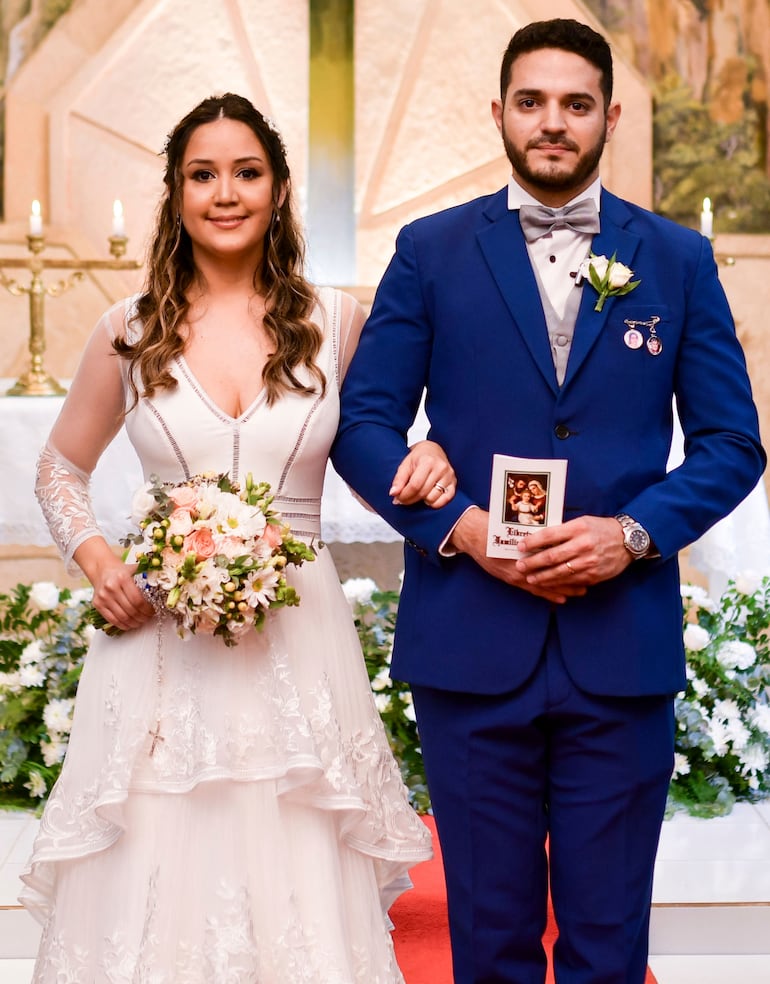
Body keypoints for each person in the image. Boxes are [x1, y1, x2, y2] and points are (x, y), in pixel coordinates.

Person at [332, 18, 765, 984]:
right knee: (489, 944)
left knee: (608, 946)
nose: (553, 123)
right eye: (532, 102)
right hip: (470, 641)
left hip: (621, 646)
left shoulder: (678, 259)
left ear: (612, 116)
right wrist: (459, 527)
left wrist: (632, 534)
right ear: (499, 113)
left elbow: (734, 445)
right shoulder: (431, 250)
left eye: (576, 104)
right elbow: (363, 427)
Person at [19, 92, 453, 982]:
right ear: (176, 194)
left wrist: (430, 458)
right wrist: (99, 561)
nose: (225, 193)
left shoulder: (339, 321)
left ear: (280, 188)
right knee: (156, 861)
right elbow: (59, 468)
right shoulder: (129, 329)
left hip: (299, 638)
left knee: (296, 869)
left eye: (246, 173)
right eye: (203, 175)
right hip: (158, 649)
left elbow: (373, 466)